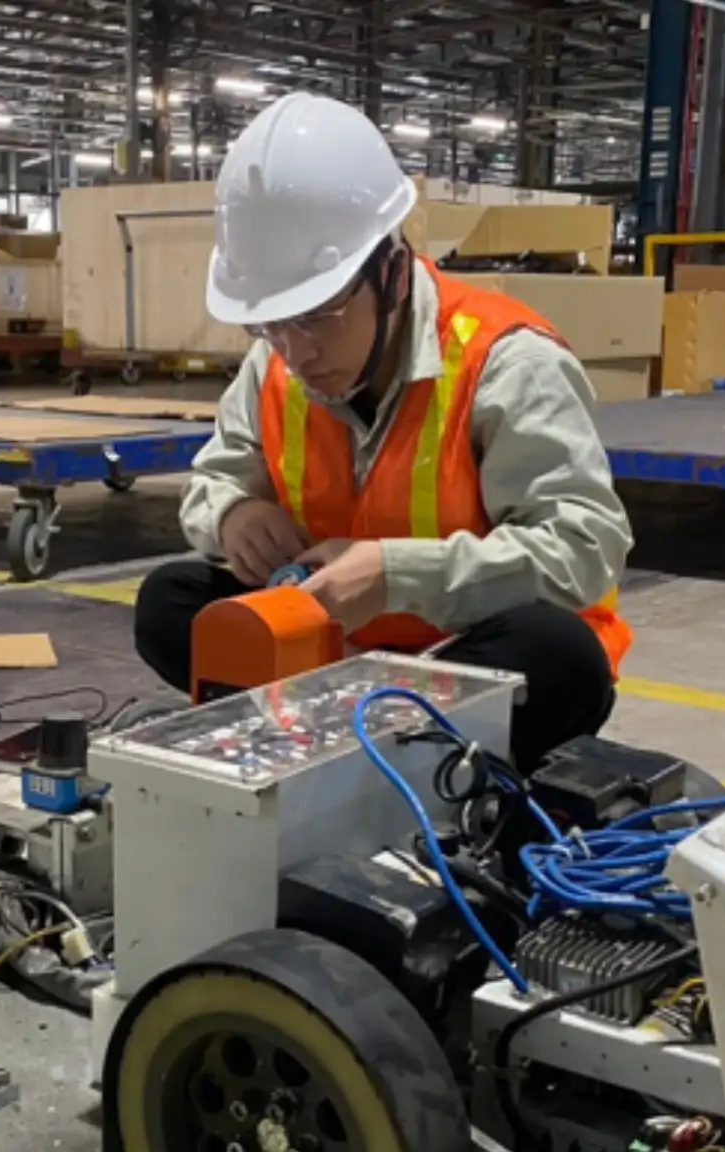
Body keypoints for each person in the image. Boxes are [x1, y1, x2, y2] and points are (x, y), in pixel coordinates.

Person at [132, 92, 634, 769]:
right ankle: (375, 745)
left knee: (559, 653)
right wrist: (233, 516)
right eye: (270, 324)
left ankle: (357, 744)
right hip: (325, 656)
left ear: (393, 275)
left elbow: (583, 549)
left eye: (318, 317)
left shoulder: (505, 361)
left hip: (460, 656)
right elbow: (213, 482)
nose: (296, 351)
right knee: (170, 603)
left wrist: (397, 575)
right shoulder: (274, 361)